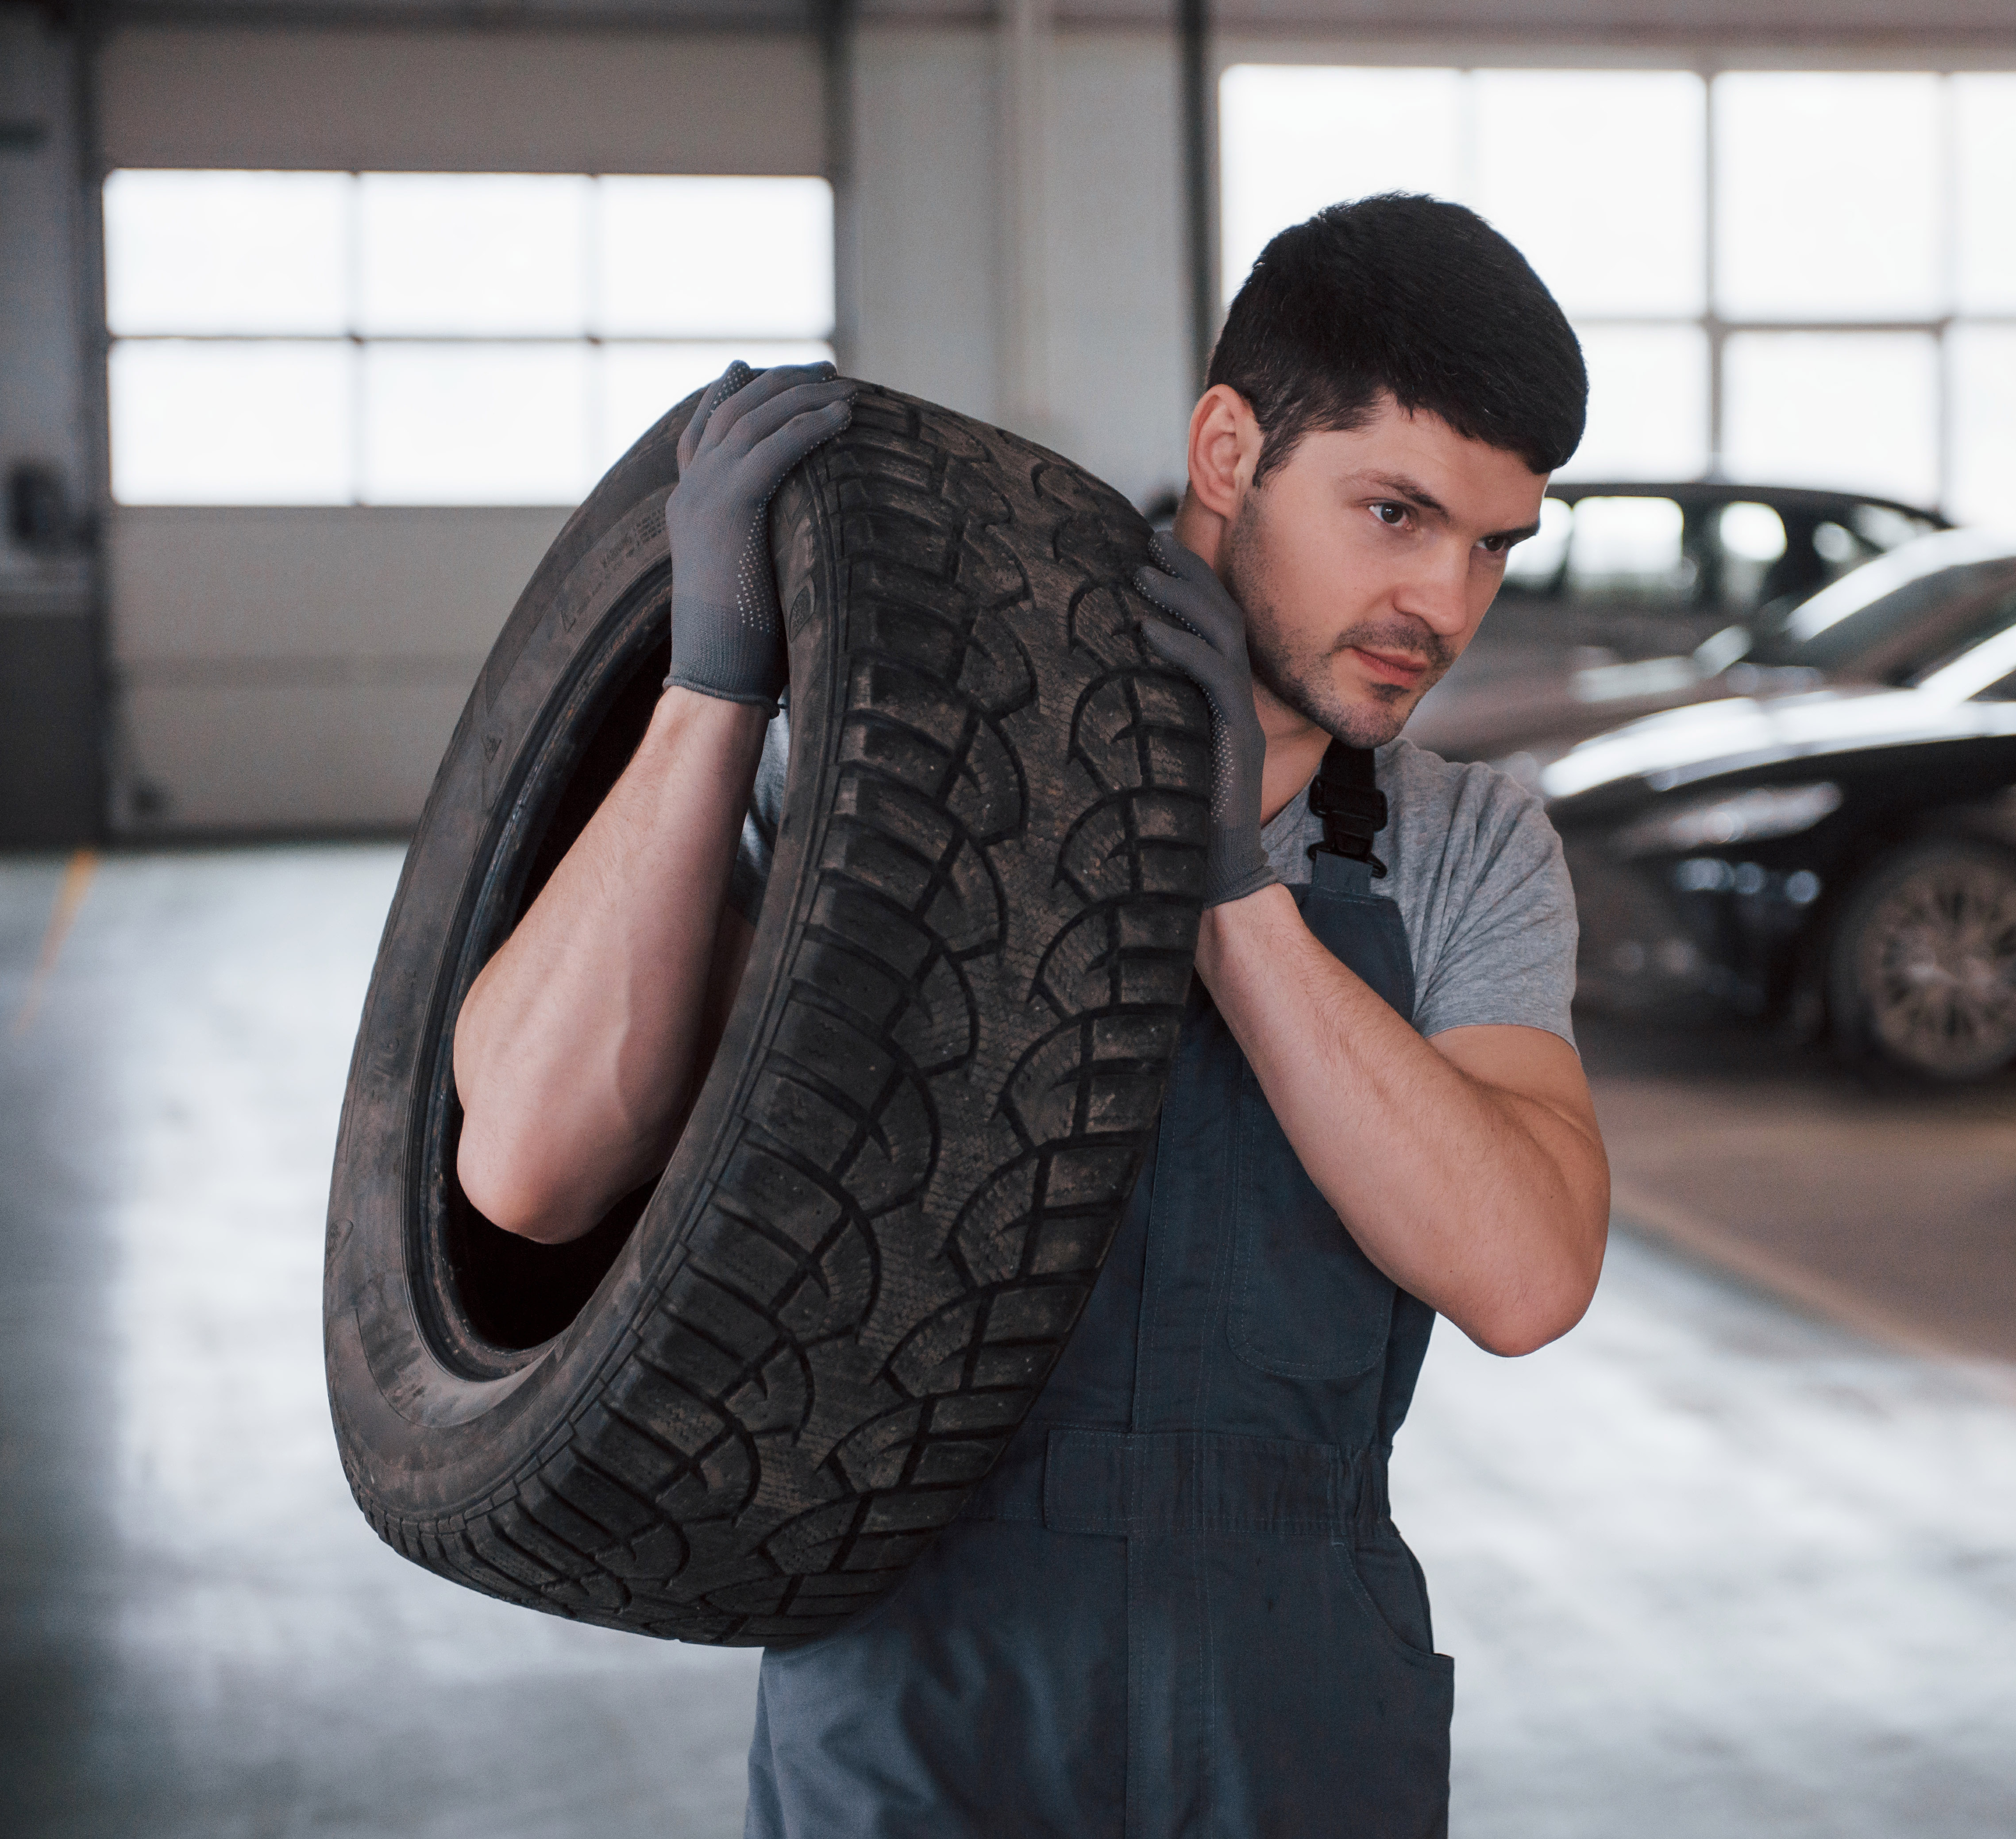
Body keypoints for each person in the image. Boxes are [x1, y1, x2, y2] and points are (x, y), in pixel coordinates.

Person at [451, 192, 1607, 1837]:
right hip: (916, 1669)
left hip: (1290, 1700)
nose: (1444, 596)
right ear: (1229, 449)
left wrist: (1224, 891)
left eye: (1492, 543)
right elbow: (534, 1165)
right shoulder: (894, 781)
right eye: (1395, 511)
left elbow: (1525, 1272)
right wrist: (709, 694)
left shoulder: (1463, 845)